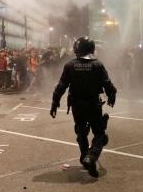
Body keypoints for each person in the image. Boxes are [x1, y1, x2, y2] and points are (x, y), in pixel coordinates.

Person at [50, 37, 117, 178]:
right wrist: (112, 97)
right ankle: (90, 157)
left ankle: (84, 156)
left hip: (77, 105)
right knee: (100, 134)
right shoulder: (98, 64)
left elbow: (61, 87)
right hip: (93, 104)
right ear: (91, 48)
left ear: (77, 49)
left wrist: (54, 103)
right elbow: (108, 85)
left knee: (81, 131)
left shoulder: (69, 65)